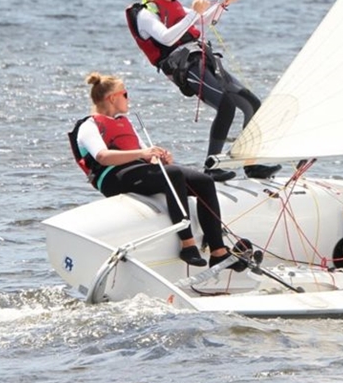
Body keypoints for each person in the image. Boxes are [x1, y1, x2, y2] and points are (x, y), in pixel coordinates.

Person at [73, 72, 248, 271]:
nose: (128, 99)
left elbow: (144, 153)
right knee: (173, 174)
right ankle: (188, 245)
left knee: (203, 181)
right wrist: (144, 153)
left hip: (137, 170)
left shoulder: (125, 122)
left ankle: (219, 252)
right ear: (112, 98)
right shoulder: (89, 126)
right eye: (125, 94)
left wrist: (158, 157)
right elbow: (103, 157)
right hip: (112, 177)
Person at [126, 0, 280, 182]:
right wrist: (194, 13)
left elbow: (202, 20)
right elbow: (167, 38)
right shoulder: (145, 15)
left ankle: (252, 164)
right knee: (226, 106)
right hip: (185, 67)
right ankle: (211, 168)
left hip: (202, 59)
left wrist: (224, 2)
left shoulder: (174, 6)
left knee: (252, 104)